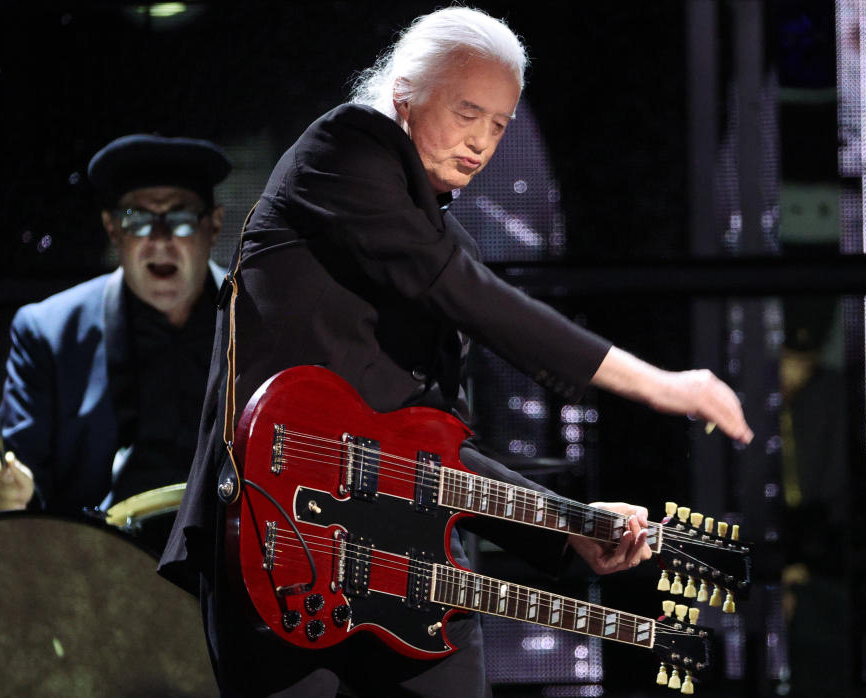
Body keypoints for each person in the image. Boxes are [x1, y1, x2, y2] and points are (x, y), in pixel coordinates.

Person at [158, 6, 754, 696]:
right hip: (283, 543)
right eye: (466, 114)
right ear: (406, 95)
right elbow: (470, 293)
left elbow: (432, 441)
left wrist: (566, 530)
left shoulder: (444, 250)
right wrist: (656, 383)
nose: (481, 143)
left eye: (499, 125)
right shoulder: (342, 150)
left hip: (409, 563)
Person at [0, 134, 232, 552]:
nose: (160, 239)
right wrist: (5, 491)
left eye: (180, 219)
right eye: (138, 220)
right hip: (94, 576)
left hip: (232, 573)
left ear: (214, 225)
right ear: (112, 229)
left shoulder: (258, 322)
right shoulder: (47, 332)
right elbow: (14, 469)